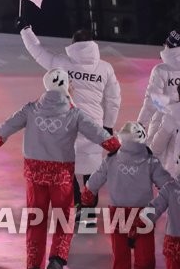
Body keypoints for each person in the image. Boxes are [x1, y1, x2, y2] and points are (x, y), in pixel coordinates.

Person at [0, 69, 120, 269]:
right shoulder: (75, 114)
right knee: (65, 217)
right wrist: (115, 146)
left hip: (35, 173)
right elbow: (97, 132)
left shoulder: (30, 109)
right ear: (66, 87)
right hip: (61, 174)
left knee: (36, 219)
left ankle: (34, 268)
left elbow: (6, 127)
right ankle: (57, 258)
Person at [16, 17, 121, 210]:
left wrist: (25, 30)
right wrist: (108, 124)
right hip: (94, 125)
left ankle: (76, 203)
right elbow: (113, 99)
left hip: (67, 124)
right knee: (93, 171)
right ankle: (89, 211)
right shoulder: (105, 68)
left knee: (66, 167)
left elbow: (38, 51)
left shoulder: (61, 63)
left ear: (73, 44)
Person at [80, 121, 171, 269]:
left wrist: (87, 197)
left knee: (120, 261)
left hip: (118, 214)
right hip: (144, 215)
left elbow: (94, 181)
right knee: (145, 261)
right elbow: (168, 186)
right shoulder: (151, 161)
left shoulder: (111, 160)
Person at [148, 170, 180, 269]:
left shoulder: (170, 188)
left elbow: (154, 209)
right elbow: (154, 209)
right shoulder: (170, 188)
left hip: (173, 245)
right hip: (174, 246)